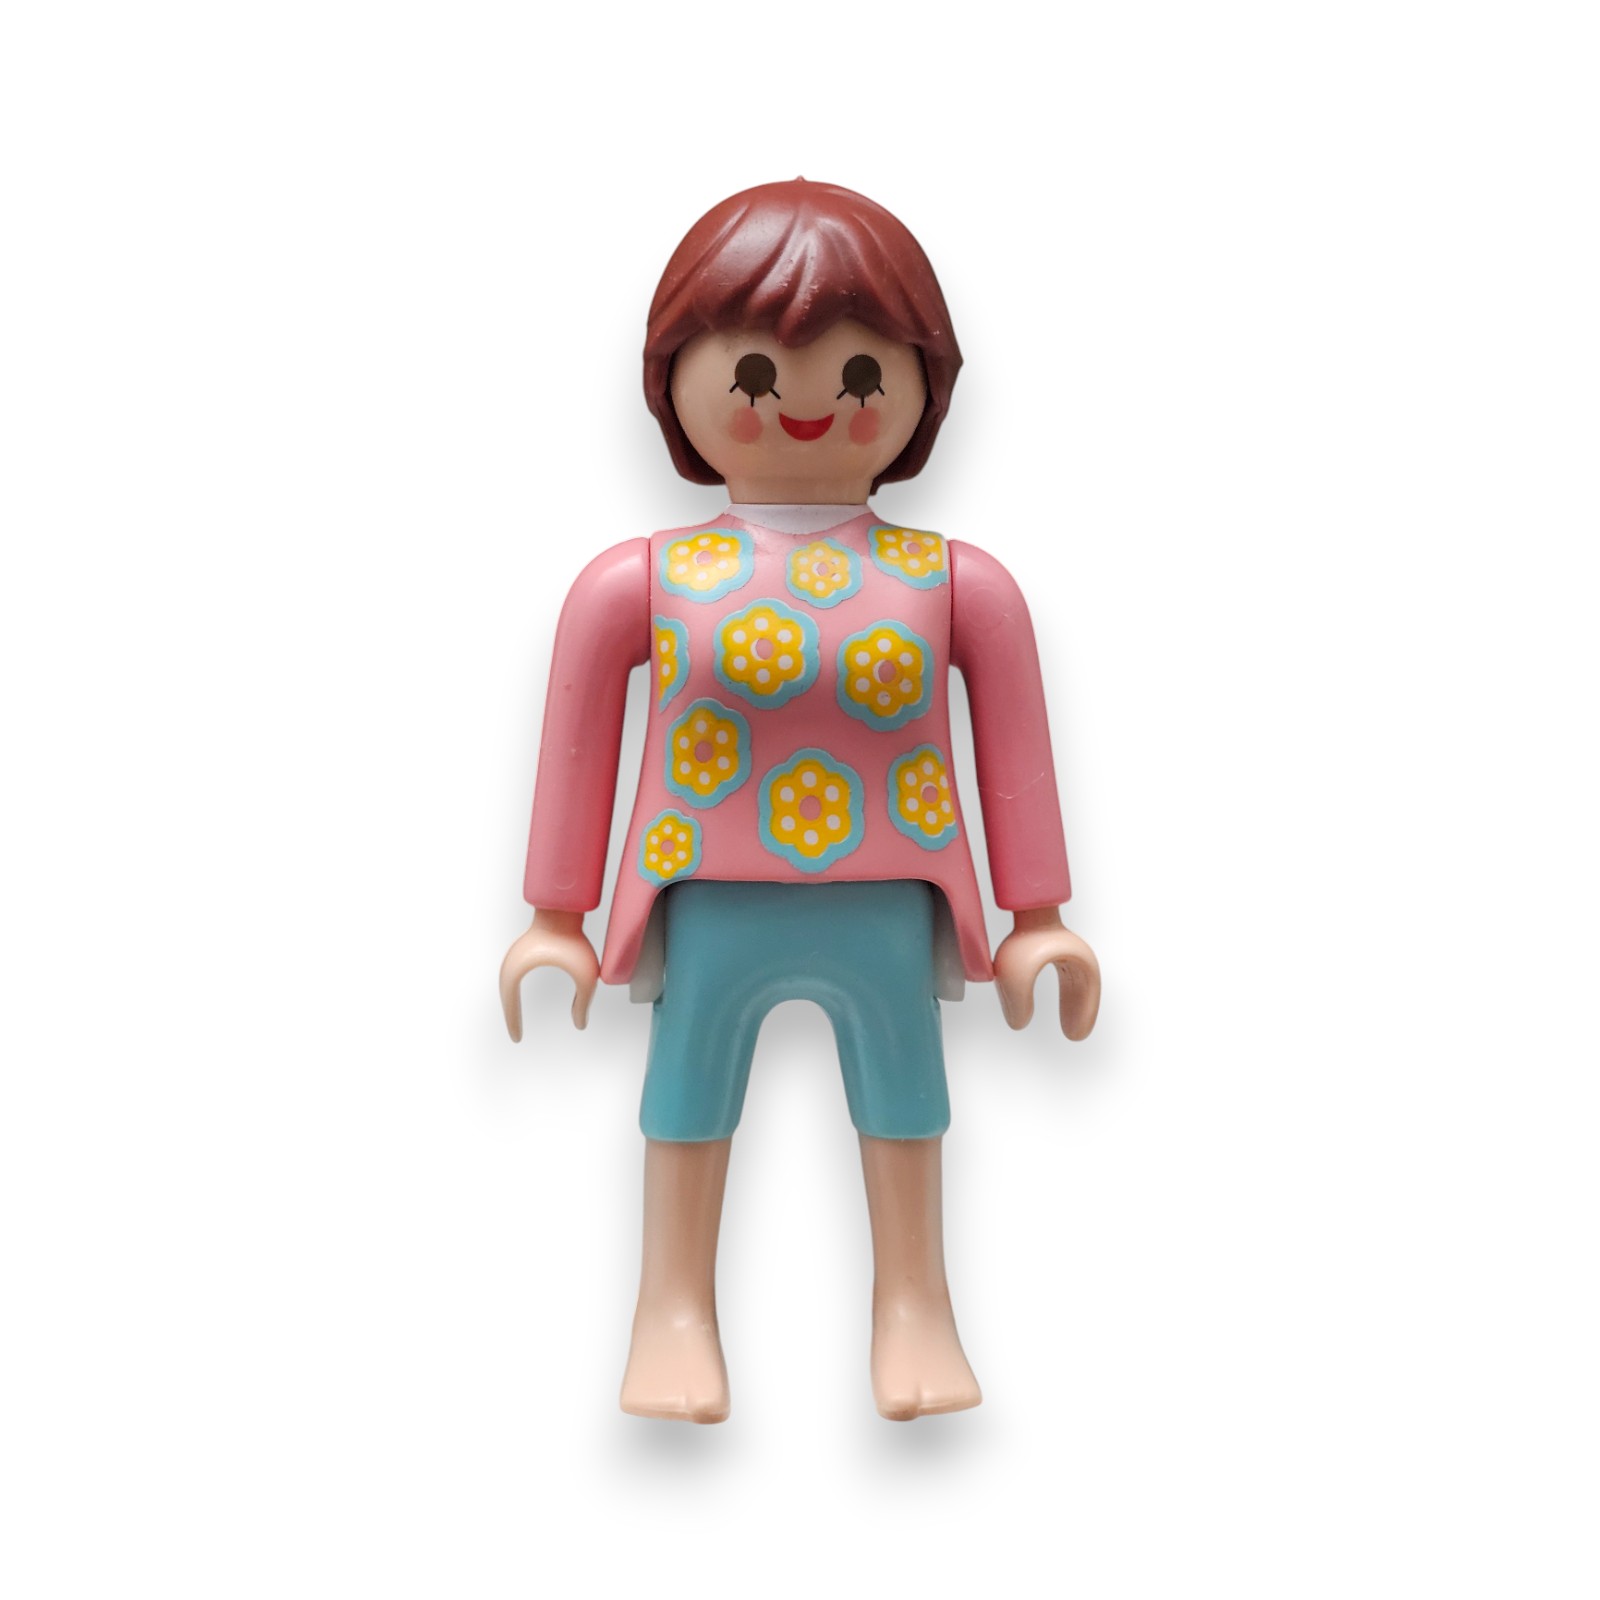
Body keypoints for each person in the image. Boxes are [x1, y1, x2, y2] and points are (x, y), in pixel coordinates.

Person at [500, 179, 1100, 1422]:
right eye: (756, 372)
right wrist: (555, 916)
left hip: (890, 894)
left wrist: (1037, 914)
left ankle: (915, 1305)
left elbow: (1015, 744)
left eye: (865, 372)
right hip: (705, 890)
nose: (811, 401)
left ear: (925, 384)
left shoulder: (954, 581)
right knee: (686, 1093)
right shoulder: (644, 578)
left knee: (904, 1093)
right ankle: (669, 1310)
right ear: (675, 382)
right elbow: (576, 742)